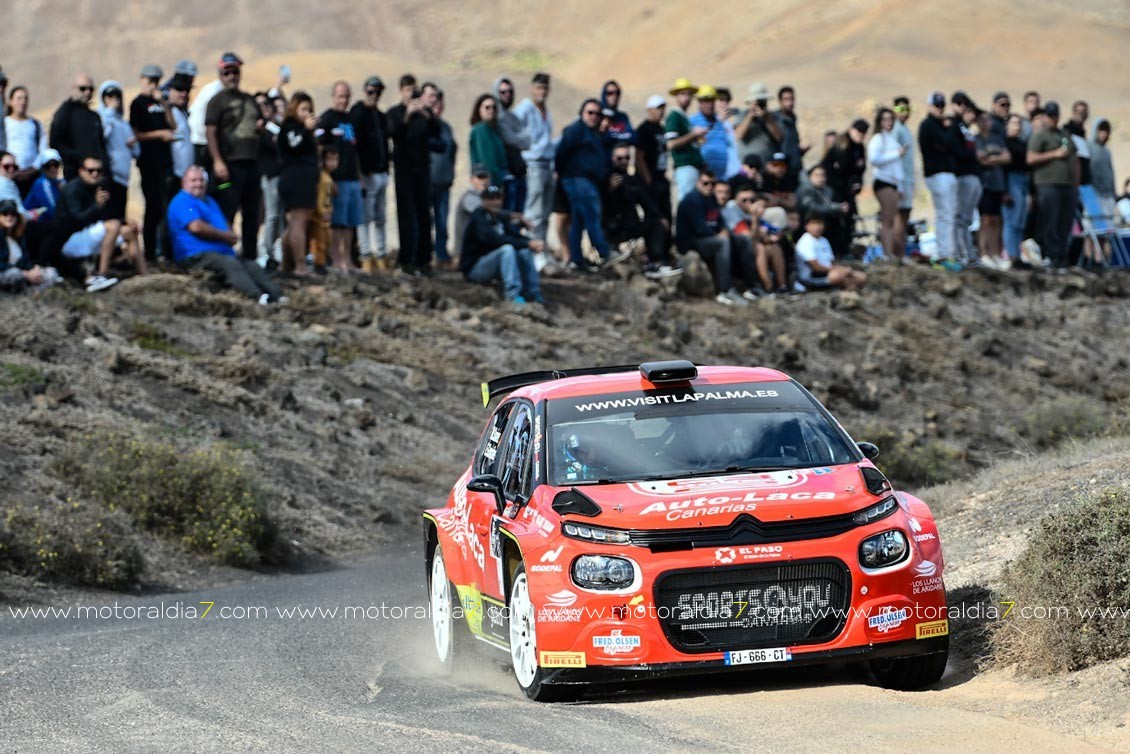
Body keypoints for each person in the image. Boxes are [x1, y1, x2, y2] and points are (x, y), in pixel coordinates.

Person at [167, 165, 283, 303]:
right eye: (193, 180)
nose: (198, 184)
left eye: (201, 180)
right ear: (184, 183)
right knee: (229, 264)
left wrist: (230, 234)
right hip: (196, 255)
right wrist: (223, 236)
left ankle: (278, 296)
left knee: (251, 265)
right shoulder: (182, 201)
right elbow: (196, 227)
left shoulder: (209, 201)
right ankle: (257, 297)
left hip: (221, 252)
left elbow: (223, 222)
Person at [48, 154, 145, 291]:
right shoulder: (73, 189)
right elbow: (77, 219)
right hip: (69, 240)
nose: (95, 174)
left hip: (88, 235)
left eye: (99, 171)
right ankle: (101, 275)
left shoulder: (101, 186)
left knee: (128, 231)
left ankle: (144, 275)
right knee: (114, 226)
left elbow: (108, 215)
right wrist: (96, 206)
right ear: (81, 171)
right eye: (91, 170)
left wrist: (127, 221)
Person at [555, 99, 628, 272]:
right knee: (592, 215)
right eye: (590, 112)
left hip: (589, 181)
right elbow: (561, 153)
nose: (594, 116)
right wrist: (566, 174)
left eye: (597, 113)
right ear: (582, 113)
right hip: (578, 179)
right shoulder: (575, 130)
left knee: (579, 221)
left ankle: (576, 260)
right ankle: (604, 252)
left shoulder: (593, 133)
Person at [205, 52, 262, 260]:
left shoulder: (249, 99)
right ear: (220, 74)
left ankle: (250, 257)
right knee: (226, 209)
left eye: (235, 72)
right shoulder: (217, 101)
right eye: (227, 72)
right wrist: (218, 160)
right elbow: (210, 132)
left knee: (252, 213)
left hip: (252, 164)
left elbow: (257, 125)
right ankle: (224, 255)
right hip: (229, 166)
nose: (231, 76)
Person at [675, 169, 758, 305]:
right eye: (705, 183)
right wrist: (719, 235)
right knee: (723, 242)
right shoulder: (691, 200)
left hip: (710, 236)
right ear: (698, 183)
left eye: (713, 184)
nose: (709, 187)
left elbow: (719, 222)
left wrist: (725, 231)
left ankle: (752, 286)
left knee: (743, 239)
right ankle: (724, 290)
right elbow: (699, 228)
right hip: (692, 241)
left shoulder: (711, 199)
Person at [386, 74, 440, 275]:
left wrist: (427, 114)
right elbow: (392, 132)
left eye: (414, 90)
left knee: (425, 215)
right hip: (404, 170)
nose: (412, 94)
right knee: (405, 215)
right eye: (408, 90)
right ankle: (406, 258)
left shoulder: (424, 113)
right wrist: (407, 115)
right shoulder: (394, 113)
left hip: (422, 169)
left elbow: (436, 131)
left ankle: (424, 259)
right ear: (401, 91)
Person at [602, 144, 680, 279]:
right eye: (620, 158)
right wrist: (610, 190)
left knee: (656, 224)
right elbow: (601, 205)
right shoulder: (605, 178)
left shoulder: (632, 179)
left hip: (631, 225)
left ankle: (655, 263)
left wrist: (660, 217)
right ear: (613, 158)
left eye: (627, 158)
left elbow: (645, 201)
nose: (623, 161)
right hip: (611, 227)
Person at [461, 185, 543, 304]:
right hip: (475, 269)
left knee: (525, 250)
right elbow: (496, 239)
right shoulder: (478, 217)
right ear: (483, 201)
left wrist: (532, 243)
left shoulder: (499, 218)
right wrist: (527, 243)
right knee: (507, 249)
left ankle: (532, 292)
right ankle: (512, 295)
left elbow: (514, 236)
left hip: (493, 265)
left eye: (498, 198)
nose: (495, 202)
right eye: (491, 199)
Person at [129, 64, 175, 262]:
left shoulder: (161, 102)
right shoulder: (137, 104)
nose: (153, 85)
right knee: (153, 206)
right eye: (150, 81)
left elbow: (173, 125)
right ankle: (149, 252)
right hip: (148, 162)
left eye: (157, 81)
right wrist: (159, 134)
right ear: (142, 80)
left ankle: (164, 250)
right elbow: (136, 134)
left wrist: (164, 104)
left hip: (165, 162)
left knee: (166, 206)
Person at [1027, 102, 1077, 268]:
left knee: (1065, 222)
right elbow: (1031, 158)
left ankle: (1061, 256)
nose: (1053, 118)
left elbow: (1074, 158)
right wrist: (1054, 154)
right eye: (1050, 115)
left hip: (1068, 186)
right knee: (1050, 221)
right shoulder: (1040, 135)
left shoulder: (1065, 135)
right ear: (1045, 116)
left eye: (1055, 115)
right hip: (1048, 185)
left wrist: (1076, 185)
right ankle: (1049, 255)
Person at [319, 81, 362, 273]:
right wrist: (327, 178)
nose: (343, 100)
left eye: (346, 96)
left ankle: (348, 259)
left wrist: (359, 176)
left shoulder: (351, 119)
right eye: (340, 96)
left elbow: (356, 150)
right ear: (333, 96)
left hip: (353, 178)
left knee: (350, 223)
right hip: (337, 180)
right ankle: (336, 260)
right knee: (337, 223)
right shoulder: (327, 119)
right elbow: (320, 149)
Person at [276, 92, 320, 276]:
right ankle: (300, 265)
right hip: (295, 179)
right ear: (294, 109)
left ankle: (286, 265)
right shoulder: (289, 127)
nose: (307, 113)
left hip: (307, 179)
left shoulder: (306, 131)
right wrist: (304, 129)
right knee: (298, 222)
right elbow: (293, 144)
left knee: (296, 224)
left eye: (309, 110)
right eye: (303, 109)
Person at [352, 75, 391, 270]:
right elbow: (354, 147)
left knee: (380, 216)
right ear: (364, 91)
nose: (374, 96)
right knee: (365, 216)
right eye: (371, 92)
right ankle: (366, 254)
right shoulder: (357, 114)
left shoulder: (381, 117)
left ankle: (382, 253)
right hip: (367, 175)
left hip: (382, 172)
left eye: (378, 92)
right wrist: (359, 173)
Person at [722, 183, 787, 294]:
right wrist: (754, 218)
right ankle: (768, 287)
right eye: (744, 200)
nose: (748, 203)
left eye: (752, 200)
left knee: (773, 247)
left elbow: (762, 235)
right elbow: (749, 237)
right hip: (736, 249)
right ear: (736, 200)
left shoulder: (752, 211)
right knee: (759, 247)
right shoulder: (732, 209)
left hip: (752, 244)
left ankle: (782, 286)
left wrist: (771, 236)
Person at [513, 72, 554, 243]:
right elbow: (513, 130)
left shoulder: (545, 112)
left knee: (545, 213)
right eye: (538, 87)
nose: (542, 92)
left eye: (545, 88)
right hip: (533, 164)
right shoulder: (525, 108)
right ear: (532, 89)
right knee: (534, 211)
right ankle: (533, 251)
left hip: (547, 165)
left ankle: (542, 249)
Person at [919, 91, 959, 266]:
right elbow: (946, 143)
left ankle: (948, 251)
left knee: (950, 214)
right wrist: (950, 128)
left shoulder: (942, 125)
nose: (939, 109)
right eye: (936, 105)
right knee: (945, 214)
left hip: (948, 173)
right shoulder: (928, 125)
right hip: (937, 174)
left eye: (942, 105)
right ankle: (944, 252)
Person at [820, 119, 868, 258]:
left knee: (849, 219)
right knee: (836, 219)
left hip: (847, 189)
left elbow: (860, 168)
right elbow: (841, 169)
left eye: (863, 133)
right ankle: (836, 251)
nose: (861, 135)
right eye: (859, 132)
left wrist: (856, 183)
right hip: (835, 187)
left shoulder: (859, 147)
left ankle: (845, 249)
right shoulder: (842, 144)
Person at [49, 74, 107, 180]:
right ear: (73, 88)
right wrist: (78, 157)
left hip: (98, 175)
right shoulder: (64, 113)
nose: (87, 92)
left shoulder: (94, 116)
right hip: (76, 174)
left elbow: (101, 145)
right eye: (83, 88)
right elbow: (55, 142)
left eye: (91, 89)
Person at [96, 81, 138, 223]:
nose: (114, 99)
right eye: (109, 96)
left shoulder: (123, 123)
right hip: (109, 176)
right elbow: (101, 136)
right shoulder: (100, 118)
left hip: (123, 178)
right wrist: (109, 111)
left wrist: (133, 144)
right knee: (110, 219)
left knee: (120, 218)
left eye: (117, 96)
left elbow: (137, 151)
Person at [425, 88, 457, 269]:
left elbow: (452, 151)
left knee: (442, 222)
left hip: (444, 183)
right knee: (426, 222)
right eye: (434, 103)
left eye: (440, 104)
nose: (438, 107)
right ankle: (427, 254)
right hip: (428, 182)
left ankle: (442, 254)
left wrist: (451, 173)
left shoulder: (446, 128)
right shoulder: (426, 127)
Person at [867, 108, 906, 258]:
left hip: (894, 183)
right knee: (887, 219)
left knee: (892, 219)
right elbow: (874, 159)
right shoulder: (877, 139)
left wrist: (900, 186)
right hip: (884, 181)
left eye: (891, 119)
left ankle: (891, 252)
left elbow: (897, 166)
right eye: (885, 119)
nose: (888, 122)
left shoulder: (891, 139)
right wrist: (896, 154)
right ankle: (887, 252)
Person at [0, 199, 60, 293]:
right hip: (6, 273)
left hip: (23, 274)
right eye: (5, 213)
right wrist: (25, 274)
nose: (9, 217)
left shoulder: (19, 237)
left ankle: (33, 293)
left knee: (51, 273)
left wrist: (33, 269)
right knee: (14, 273)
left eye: (13, 214)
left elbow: (25, 260)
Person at [950, 92, 982, 266]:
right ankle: (960, 254)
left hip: (973, 176)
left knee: (966, 219)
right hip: (963, 176)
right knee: (959, 218)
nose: (972, 116)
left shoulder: (966, 129)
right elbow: (958, 151)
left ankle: (968, 254)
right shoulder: (955, 126)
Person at [975, 109, 1010, 267]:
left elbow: (1007, 157)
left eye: (987, 120)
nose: (985, 123)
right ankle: (983, 252)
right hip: (984, 184)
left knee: (996, 220)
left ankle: (996, 253)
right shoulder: (976, 139)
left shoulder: (997, 139)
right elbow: (981, 160)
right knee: (985, 219)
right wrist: (997, 159)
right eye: (981, 120)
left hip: (998, 183)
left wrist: (992, 159)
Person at [795, 214, 866, 291]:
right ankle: (848, 287)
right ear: (806, 226)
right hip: (813, 277)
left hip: (829, 272)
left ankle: (847, 286)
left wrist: (841, 270)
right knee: (839, 276)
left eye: (820, 223)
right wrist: (838, 269)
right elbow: (815, 267)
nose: (818, 226)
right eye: (814, 223)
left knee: (862, 277)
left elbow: (831, 261)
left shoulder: (824, 240)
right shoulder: (805, 242)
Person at [664, 77, 708, 201]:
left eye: (689, 95)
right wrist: (693, 134)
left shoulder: (684, 117)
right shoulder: (674, 116)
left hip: (692, 168)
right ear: (676, 96)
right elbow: (671, 144)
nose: (686, 98)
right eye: (683, 94)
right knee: (686, 202)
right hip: (684, 167)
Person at [493, 78, 531, 215]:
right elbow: (512, 139)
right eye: (503, 92)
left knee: (519, 217)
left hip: (520, 172)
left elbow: (527, 142)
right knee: (509, 218)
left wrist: (521, 138)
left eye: (510, 91)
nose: (507, 94)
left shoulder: (513, 117)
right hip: (507, 175)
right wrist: (521, 138)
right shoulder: (498, 117)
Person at [254, 90, 282, 266]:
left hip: (281, 175)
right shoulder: (258, 129)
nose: (264, 108)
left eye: (266, 104)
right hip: (267, 175)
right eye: (259, 105)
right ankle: (268, 252)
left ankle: (276, 250)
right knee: (270, 216)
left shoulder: (278, 126)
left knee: (278, 215)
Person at [635, 95, 671, 223]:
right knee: (656, 218)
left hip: (661, 178)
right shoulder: (644, 129)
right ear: (649, 109)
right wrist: (648, 179)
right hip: (651, 180)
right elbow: (639, 156)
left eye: (662, 108)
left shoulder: (661, 128)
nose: (660, 111)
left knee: (667, 215)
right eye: (657, 108)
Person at [23, 149, 65, 255]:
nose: (52, 169)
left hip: (46, 224)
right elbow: (52, 211)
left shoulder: (59, 182)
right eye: (48, 166)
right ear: (42, 168)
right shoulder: (42, 183)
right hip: (32, 226)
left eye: (55, 165)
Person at [1002, 113, 1030, 263]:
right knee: (1012, 220)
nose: (1017, 126)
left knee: (1020, 221)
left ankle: (1017, 255)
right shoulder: (1004, 142)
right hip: (1011, 180)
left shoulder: (1023, 143)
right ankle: (1011, 255)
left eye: (1019, 123)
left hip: (1023, 179)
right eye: (1014, 123)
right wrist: (1005, 190)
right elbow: (1003, 168)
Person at [690, 86, 734, 181]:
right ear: (700, 102)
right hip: (703, 179)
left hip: (723, 177)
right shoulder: (692, 122)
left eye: (711, 100)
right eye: (705, 101)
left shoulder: (720, 122)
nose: (709, 104)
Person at [735, 82, 783, 167]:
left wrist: (767, 117)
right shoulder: (743, 115)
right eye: (758, 101)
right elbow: (739, 135)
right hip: (748, 167)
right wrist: (750, 114)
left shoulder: (772, 116)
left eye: (763, 101)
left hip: (767, 165)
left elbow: (778, 137)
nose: (760, 104)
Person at [891, 96, 915, 259]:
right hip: (900, 180)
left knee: (905, 215)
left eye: (907, 108)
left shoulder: (905, 128)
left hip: (908, 178)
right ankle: (897, 253)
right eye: (900, 109)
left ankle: (901, 252)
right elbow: (893, 157)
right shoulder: (896, 129)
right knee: (899, 215)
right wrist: (898, 183)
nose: (904, 112)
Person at [468, 94, 507, 189]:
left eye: (494, 107)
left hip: (497, 179)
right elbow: (487, 160)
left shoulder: (494, 130)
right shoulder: (480, 129)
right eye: (487, 107)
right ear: (479, 109)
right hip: (487, 181)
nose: (491, 110)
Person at [5, 85, 47, 171]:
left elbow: (43, 149)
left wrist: (34, 168)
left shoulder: (36, 124)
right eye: (19, 98)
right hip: (9, 172)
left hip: (32, 173)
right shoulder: (4, 123)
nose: (23, 102)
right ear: (11, 102)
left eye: (25, 99)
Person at [309, 147, 337, 273]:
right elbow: (321, 198)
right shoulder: (323, 179)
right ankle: (318, 263)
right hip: (320, 216)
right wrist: (322, 211)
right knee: (319, 241)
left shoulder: (328, 177)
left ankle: (323, 261)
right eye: (330, 160)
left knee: (326, 240)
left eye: (336, 160)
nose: (333, 163)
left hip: (326, 214)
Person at [773, 86, 808, 176]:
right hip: (782, 168)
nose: (790, 103)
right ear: (780, 101)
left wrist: (801, 150)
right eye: (786, 99)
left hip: (796, 167)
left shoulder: (793, 118)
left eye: (792, 99)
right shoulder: (775, 118)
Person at [1089, 119, 1117, 224]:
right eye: (1101, 131)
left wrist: (1113, 193)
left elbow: (1110, 172)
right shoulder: (1089, 147)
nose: (1104, 134)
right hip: (1094, 195)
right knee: (1094, 228)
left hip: (1108, 195)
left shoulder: (1106, 151)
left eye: (1106, 131)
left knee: (1107, 229)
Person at [599, 80, 634, 157]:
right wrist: (620, 136)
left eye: (617, 93)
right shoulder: (596, 114)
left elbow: (632, 137)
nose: (614, 96)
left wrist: (611, 136)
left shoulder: (623, 117)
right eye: (610, 93)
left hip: (619, 164)